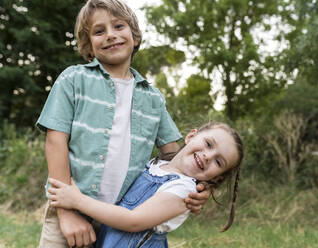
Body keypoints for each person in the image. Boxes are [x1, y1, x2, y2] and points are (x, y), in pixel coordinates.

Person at [36, 0, 210, 247]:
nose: (110, 35)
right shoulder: (74, 79)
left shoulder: (153, 98)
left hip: (120, 219)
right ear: (89, 45)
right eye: (99, 31)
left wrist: (199, 188)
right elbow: (55, 143)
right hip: (69, 209)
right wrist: (66, 212)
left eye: (118, 26)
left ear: (135, 36)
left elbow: (175, 155)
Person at [47, 122, 244, 248]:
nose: (208, 156)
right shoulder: (156, 164)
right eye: (209, 144)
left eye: (219, 162)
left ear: (216, 178)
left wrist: (78, 201)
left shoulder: (184, 190)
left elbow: (134, 220)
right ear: (192, 136)